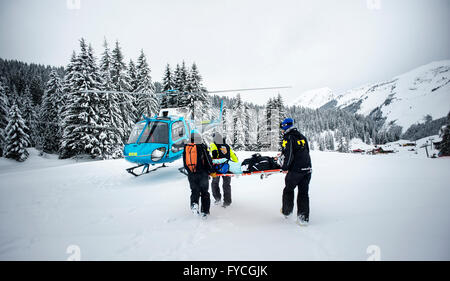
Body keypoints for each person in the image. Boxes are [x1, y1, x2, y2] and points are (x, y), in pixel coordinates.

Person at [279, 118, 312, 226]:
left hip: (296, 170)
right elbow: (305, 152)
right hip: (307, 169)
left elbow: (289, 154)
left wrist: (285, 167)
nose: (282, 130)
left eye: (282, 127)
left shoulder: (289, 137)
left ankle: (287, 212)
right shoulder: (301, 136)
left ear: (285, 126)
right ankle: (303, 219)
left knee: (288, 189)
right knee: (303, 193)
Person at [183, 131, 215, 219]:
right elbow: (208, 160)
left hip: (191, 174)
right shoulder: (202, 146)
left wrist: (190, 171)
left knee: (194, 191)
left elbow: (184, 163)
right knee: (205, 192)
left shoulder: (186, 147)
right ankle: (205, 212)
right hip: (202, 174)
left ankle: (194, 204)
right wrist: (211, 170)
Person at [210, 132, 238, 208]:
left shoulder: (213, 144)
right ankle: (227, 202)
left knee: (215, 183)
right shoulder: (227, 146)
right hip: (227, 168)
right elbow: (234, 157)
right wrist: (235, 165)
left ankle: (217, 198)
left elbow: (214, 154)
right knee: (227, 185)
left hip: (217, 168)